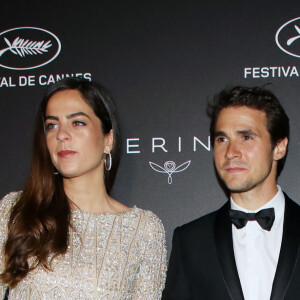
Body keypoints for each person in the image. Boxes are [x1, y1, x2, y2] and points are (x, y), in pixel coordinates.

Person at [0, 78, 167, 299]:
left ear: (108, 140)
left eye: (77, 122)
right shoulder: (15, 210)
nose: (61, 134)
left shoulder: (144, 231)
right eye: (52, 125)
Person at [162, 86, 300, 300]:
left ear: (279, 147)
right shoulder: (191, 241)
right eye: (222, 139)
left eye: (246, 137)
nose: (230, 152)